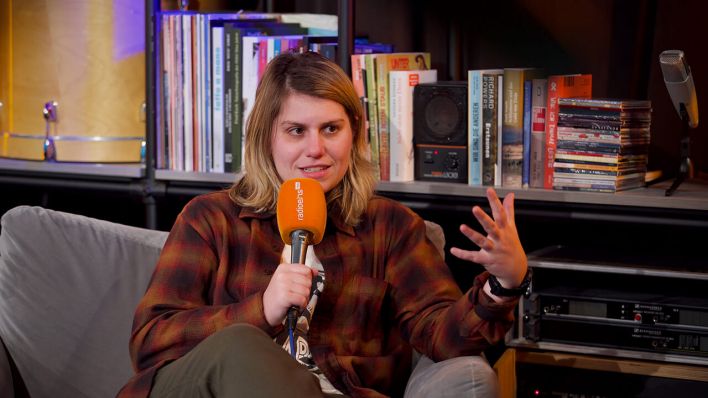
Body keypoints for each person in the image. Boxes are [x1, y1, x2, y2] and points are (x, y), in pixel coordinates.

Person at [118, 51, 528, 398]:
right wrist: (262, 309)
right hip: (207, 389)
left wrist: (503, 285)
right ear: (266, 139)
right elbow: (152, 342)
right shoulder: (210, 218)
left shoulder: (391, 227)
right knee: (242, 343)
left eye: (331, 129)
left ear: (354, 133)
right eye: (296, 131)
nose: (315, 150)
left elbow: (443, 340)